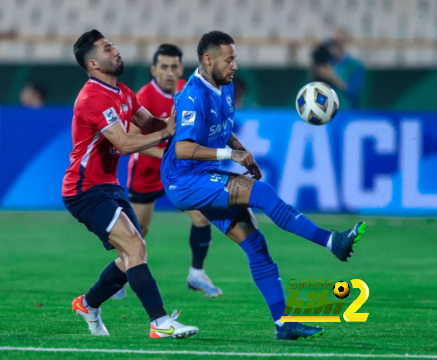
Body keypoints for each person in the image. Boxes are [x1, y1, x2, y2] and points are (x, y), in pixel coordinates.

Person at [161, 31, 367, 340]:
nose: (235, 65)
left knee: (257, 247)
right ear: (208, 59)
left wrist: (242, 151)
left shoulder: (225, 85)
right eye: (229, 59)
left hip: (204, 177)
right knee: (261, 193)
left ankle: (283, 324)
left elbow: (222, 128)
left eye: (235, 59)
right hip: (184, 181)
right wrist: (232, 154)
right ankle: (332, 242)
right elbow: (182, 148)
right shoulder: (192, 95)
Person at [63, 30, 198, 339]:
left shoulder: (122, 91)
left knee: (131, 256)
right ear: (94, 63)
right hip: (84, 189)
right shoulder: (91, 97)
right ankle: (160, 322)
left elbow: (149, 123)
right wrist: (167, 133)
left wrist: (180, 125)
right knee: (135, 246)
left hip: (108, 186)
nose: (117, 51)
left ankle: (87, 303)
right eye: (108, 49)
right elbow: (124, 143)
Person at [113, 44, 221, 300]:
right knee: (138, 232)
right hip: (148, 173)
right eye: (164, 67)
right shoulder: (145, 97)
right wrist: (167, 155)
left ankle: (197, 274)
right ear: (154, 69)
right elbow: (131, 140)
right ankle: (118, 279)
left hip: (179, 173)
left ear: (181, 69)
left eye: (174, 67)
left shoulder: (188, 90)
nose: (169, 72)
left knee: (202, 219)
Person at [312, 29, 364, 109]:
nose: (338, 45)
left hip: (347, 111)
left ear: (346, 41)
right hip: (326, 109)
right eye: (336, 41)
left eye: (341, 41)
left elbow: (354, 92)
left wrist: (333, 78)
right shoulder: (327, 62)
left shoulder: (355, 65)